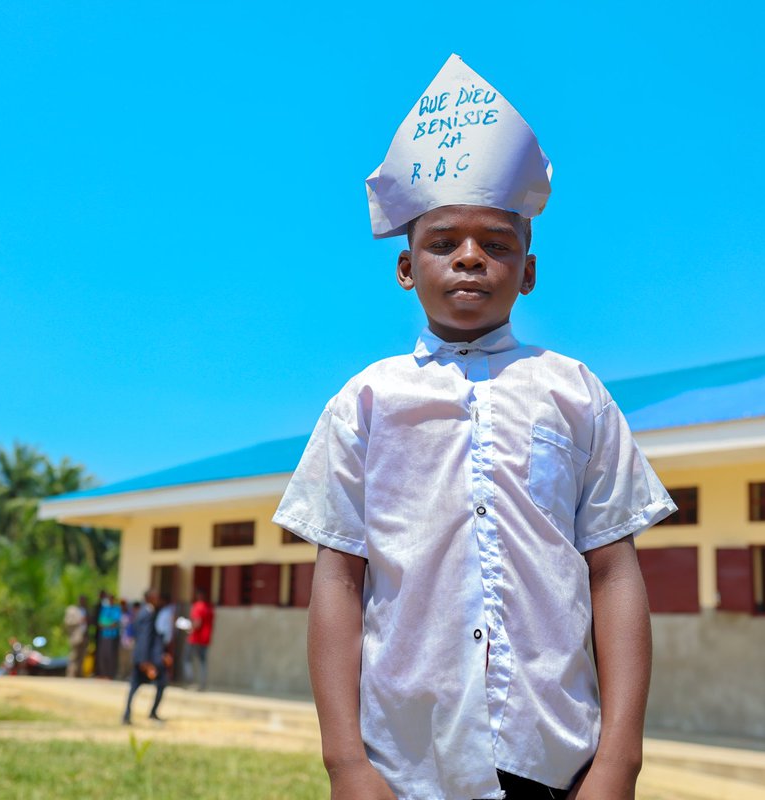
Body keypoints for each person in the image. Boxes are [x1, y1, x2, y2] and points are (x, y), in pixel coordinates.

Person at [273, 55, 676, 800]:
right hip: (405, 763)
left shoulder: (574, 392)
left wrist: (619, 760)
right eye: (442, 242)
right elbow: (338, 579)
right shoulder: (364, 402)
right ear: (404, 267)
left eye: (496, 244)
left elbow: (614, 572)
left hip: (556, 759)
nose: (469, 258)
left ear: (527, 271)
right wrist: (346, 763)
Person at [121, 589, 167, 725]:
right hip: (145, 659)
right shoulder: (147, 614)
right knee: (160, 682)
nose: (158, 600)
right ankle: (146, 713)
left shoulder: (143, 612)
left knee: (135, 686)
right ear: (150, 598)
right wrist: (145, 663)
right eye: (156, 597)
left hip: (143, 657)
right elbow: (145, 639)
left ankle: (127, 715)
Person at [186, 589, 214, 691]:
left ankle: (190, 682)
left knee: (187, 660)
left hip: (195, 638)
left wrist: (189, 628)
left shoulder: (198, 606)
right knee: (203, 662)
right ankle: (202, 684)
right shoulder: (209, 608)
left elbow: (197, 623)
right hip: (205, 639)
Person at [95, 591, 121, 679]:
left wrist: (106, 624)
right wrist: (107, 624)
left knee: (111, 655)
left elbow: (115, 623)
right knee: (102, 655)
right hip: (104, 635)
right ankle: (103, 673)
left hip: (112, 636)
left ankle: (110, 674)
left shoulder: (116, 609)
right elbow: (100, 623)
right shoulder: (104, 609)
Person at [63, 595, 88, 678]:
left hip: (84, 636)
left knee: (82, 656)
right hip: (75, 636)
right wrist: (79, 621)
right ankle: (71, 675)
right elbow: (67, 622)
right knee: (73, 656)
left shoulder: (86, 610)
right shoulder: (72, 610)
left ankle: (79, 674)